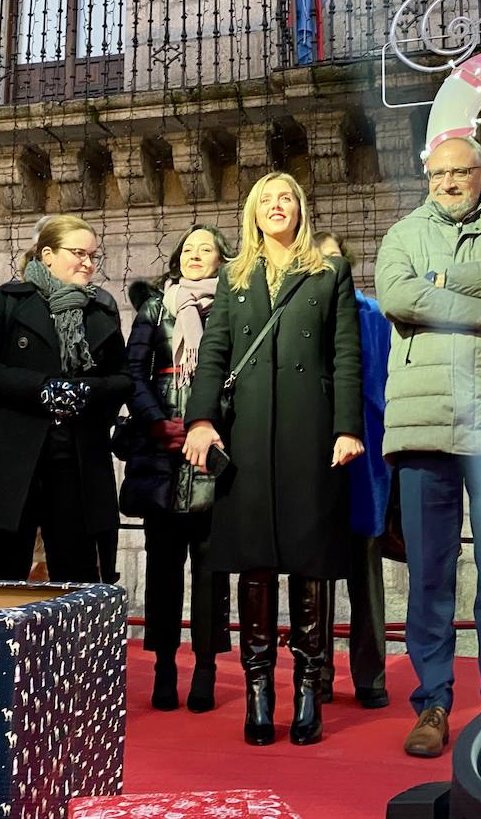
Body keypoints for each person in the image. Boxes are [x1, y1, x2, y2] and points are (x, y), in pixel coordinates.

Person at [375, 135, 481, 758]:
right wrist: (480, 309)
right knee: (430, 575)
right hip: (427, 424)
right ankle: (434, 701)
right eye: (437, 173)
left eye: (459, 172)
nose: (447, 182)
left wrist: (444, 281)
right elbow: (396, 294)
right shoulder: (402, 235)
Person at [182, 172, 364, 747]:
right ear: (253, 214)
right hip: (250, 433)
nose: (276, 206)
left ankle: (310, 686)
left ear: (300, 208)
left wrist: (347, 427)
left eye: (285, 197)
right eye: (266, 199)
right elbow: (213, 355)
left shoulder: (328, 271)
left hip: (312, 432)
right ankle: (258, 690)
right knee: (255, 561)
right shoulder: (234, 277)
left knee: (311, 559)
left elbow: (345, 354)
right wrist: (202, 420)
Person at [0, 214, 131, 582]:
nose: (88, 263)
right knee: (1, 575)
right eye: (78, 253)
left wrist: (86, 391)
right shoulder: (6, 301)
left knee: (77, 576)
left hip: (77, 458)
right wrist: (42, 387)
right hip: (11, 456)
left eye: (93, 255)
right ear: (47, 254)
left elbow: (124, 379)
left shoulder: (99, 311)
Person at [121, 225, 235, 713]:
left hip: (215, 447)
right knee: (163, 569)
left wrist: (217, 426)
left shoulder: (234, 309)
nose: (194, 256)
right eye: (188, 249)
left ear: (221, 261)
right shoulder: (156, 307)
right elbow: (133, 372)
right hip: (163, 453)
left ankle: (206, 668)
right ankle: (165, 666)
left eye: (205, 249)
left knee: (212, 570)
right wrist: (154, 423)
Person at [313, 231, 390, 709]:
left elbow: (382, 385)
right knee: (314, 566)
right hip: (312, 452)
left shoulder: (372, 314)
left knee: (365, 568)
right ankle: (316, 672)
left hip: (365, 453)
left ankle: (370, 675)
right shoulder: (297, 315)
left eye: (334, 261)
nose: (326, 269)